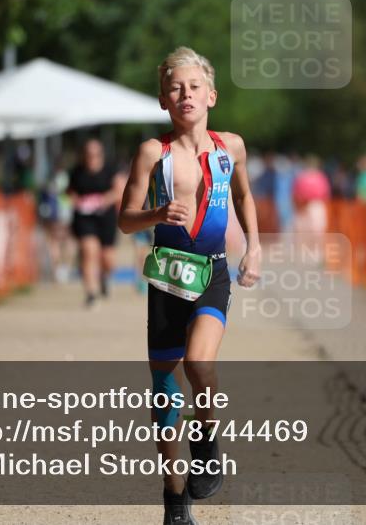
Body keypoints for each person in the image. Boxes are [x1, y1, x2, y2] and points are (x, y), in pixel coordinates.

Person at [118, 46, 261, 525]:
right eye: (175, 88)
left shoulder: (230, 148)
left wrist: (254, 247)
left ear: (211, 96)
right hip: (167, 277)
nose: (185, 95)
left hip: (212, 271)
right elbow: (124, 220)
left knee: (200, 363)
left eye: (194, 87)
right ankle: (174, 499)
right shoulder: (151, 154)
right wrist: (158, 214)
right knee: (164, 390)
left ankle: (207, 438)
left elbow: (242, 195)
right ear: (163, 100)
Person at [68, 138, 124, 307]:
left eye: (95, 154)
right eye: (88, 154)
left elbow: (119, 191)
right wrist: (78, 201)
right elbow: (70, 193)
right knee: (88, 251)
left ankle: (104, 277)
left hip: (106, 217)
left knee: (108, 259)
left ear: (101, 154)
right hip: (84, 218)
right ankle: (91, 293)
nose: (92, 157)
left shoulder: (110, 170)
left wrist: (103, 200)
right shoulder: (76, 172)